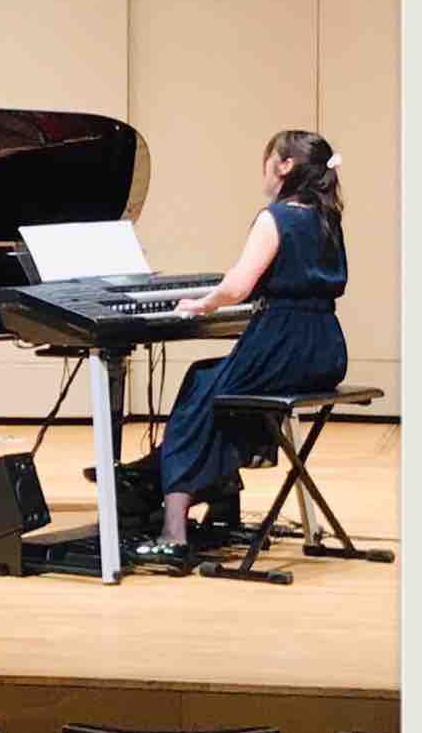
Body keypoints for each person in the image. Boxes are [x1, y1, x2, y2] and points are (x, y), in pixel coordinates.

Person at [133, 130, 349, 569]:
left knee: (200, 391)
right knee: (213, 381)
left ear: (284, 166)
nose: (263, 170)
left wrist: (201, 304)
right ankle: (221, 500)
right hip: (326, 350)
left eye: (267, 161)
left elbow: (237, 286)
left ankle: (174, 531)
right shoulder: (327, 216)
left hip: (282, 343)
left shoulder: (276, 217)